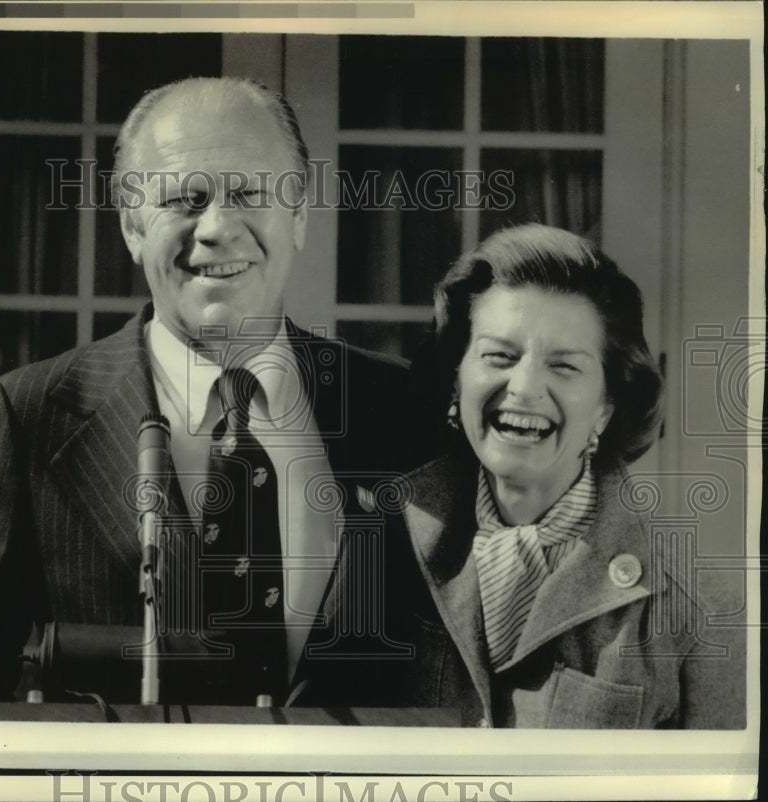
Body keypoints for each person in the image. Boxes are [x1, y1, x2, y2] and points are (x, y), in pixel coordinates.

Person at [0, 77, 414, 706]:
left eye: (250, 193)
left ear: (299, 215)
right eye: (185, 198)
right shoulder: (27, 420)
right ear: (131, 226)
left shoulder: (400, 406)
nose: (217, 228)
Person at [307, 224, 746, 728]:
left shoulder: (701, 607)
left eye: (564, 366)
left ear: (605, 406)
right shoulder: (377, 546)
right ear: (456, 380)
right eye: (500, 356)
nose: (525, 388)